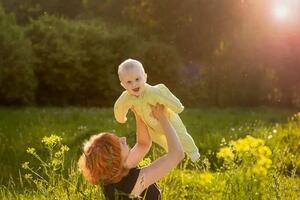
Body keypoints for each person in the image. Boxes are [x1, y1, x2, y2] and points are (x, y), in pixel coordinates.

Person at [78, 104, 184, 199]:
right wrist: (162, 118)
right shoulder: (133, 183)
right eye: (121, 143)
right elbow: (177, 154)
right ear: (117, 160)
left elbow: (143, 144)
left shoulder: (112, 178)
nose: (123, 138)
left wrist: (139, 112)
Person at [114, 58, 200, 162]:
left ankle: (193, 152)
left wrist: (177, 107)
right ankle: (174, 151)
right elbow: (119, 107)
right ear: (123, 84)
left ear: (145, 77)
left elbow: (167, 97)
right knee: (160, 139)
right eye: (129, 82)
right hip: (151, 125)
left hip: (168, 120)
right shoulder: (126, 97)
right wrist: (121, 118)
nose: (134, 85)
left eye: (137, 79)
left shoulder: (153, 92)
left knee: (180, 134)